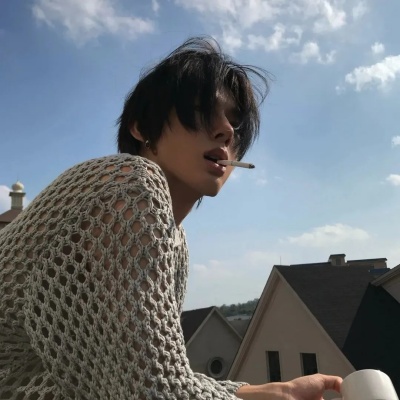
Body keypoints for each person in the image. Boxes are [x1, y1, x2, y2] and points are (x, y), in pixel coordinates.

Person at [0, 37, 342, 399]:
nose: (227, 131)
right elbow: (153, 391)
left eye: (236, 123)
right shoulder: (130, 184)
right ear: (141, 127)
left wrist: (273, 392)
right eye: (202, 110)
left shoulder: (175, 241)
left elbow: (154, 375)